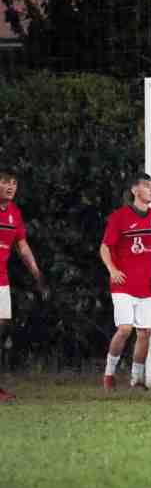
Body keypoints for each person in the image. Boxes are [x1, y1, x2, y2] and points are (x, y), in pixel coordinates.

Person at [100, 173, 151, 391]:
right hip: (122, 284)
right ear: (135, 190)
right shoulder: (119, 217)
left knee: (145, 333)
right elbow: (104, 248)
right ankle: (109, 374)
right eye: (147, 186)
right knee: (124, 329)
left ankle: (136, 380)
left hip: (146, 287)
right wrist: (112, 269)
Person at [0, 170, 48, 402]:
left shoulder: (14, 213)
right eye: (5, 182)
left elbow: (22, 246)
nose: (10, 187)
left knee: (2, 330)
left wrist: (37, 273)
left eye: (14, 183)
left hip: (1, 281)